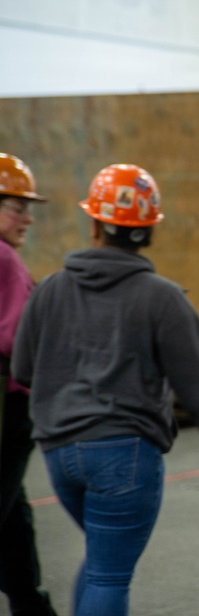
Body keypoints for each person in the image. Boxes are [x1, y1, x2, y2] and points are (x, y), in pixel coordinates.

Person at [11, 163, 199, 616]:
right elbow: (197, 382)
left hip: (59, 454)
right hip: (124, 457)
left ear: (94, 223)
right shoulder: (162, 297)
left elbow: (23, 368)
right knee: (109, 575)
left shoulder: (50, 289)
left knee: (100, 563)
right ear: (149, 229)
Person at [0, 153, 58, 616]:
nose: (27, 217)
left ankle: (28, 602)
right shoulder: (5, 259)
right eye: (17, 206)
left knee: (13, 513)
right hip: (9, 410)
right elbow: (21, 341)